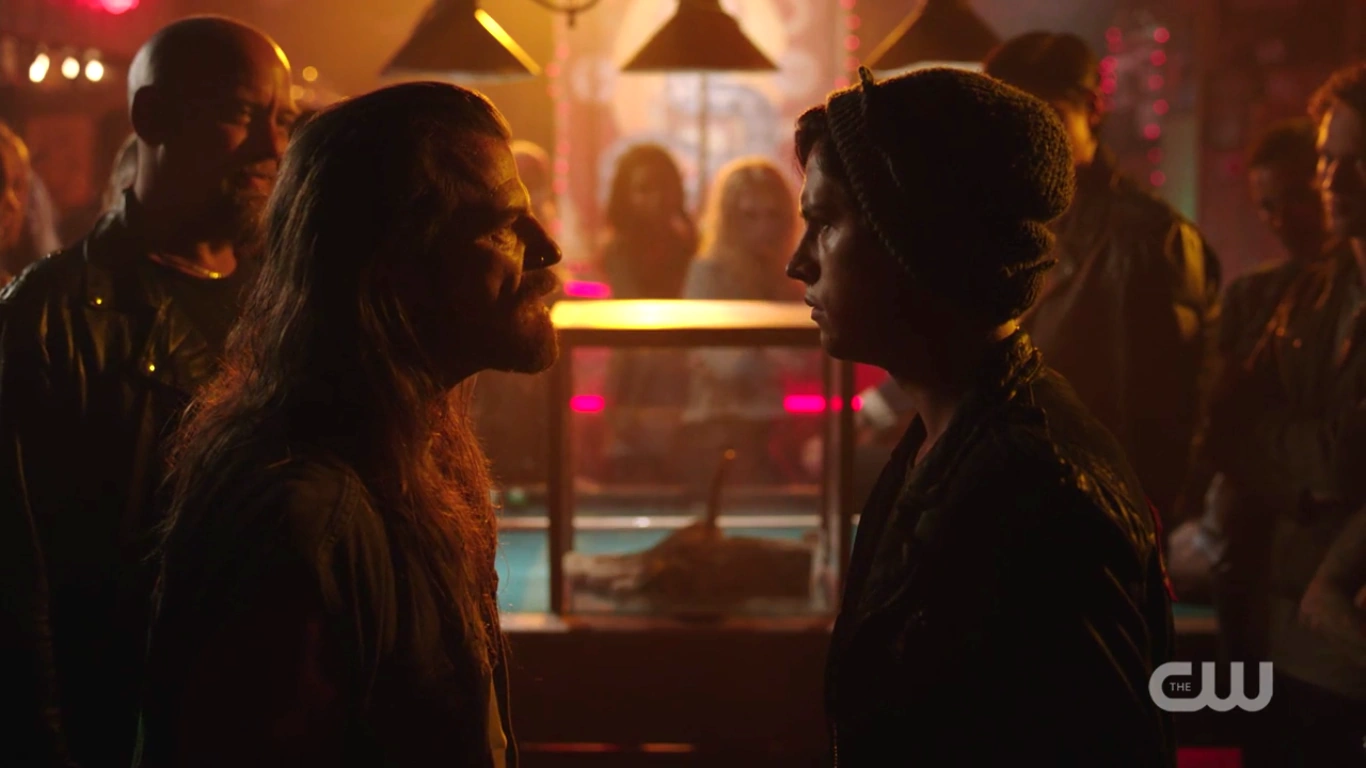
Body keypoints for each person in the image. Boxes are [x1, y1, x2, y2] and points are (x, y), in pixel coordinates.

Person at [137, 81, 560, 768]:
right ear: (393, 269)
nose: (547, 250)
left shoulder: (405, 456)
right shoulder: (305, 521)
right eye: (499, 226)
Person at [789, 67, 1174, 765]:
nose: (798, 263)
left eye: (826, 223)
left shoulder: (1038, 491)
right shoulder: (947, 441)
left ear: (918, 241)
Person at [0, 17, 296, 767]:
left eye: (283, 119)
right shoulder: (50, 316)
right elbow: (18, 584)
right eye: (241, 113)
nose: (272, 146)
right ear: (153, 116)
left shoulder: (291, 306)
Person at [984, 32, 1221, 520]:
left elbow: (1163, 420)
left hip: (1094, 512)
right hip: (1022, 497)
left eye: (1046, 115)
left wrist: (1141, 523)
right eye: (1010, 121)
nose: (1026, 138)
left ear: (1091, 108)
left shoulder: (1148, 239)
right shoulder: (1007, 227)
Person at [1208, 62, 1366, 767]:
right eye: (1329, 159)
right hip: (1289, 632)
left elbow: (1346, 457)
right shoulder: (1306, 295)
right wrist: (1316, 457)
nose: (1336, 179)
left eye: (1356, 160)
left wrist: (1291, 452)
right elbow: (1229, 429)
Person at [681, 157, 803, 486]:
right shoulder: (707, 273)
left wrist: (758, 353)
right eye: (750, 215)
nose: (763, 227)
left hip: (774, 426)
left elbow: (806, 362)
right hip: (717, 426)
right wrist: (769, 353)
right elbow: (726, 365)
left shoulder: (787, 277)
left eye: (772, 215)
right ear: (729, 218)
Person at [598, 144, 696, 482]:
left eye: (662, 186)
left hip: (679, 373)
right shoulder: (620, 250)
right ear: (626, 197)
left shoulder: (688, 245)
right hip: (635, 376)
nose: (655, 198)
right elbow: (632, 311)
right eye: (643, 189)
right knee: (635, 469)